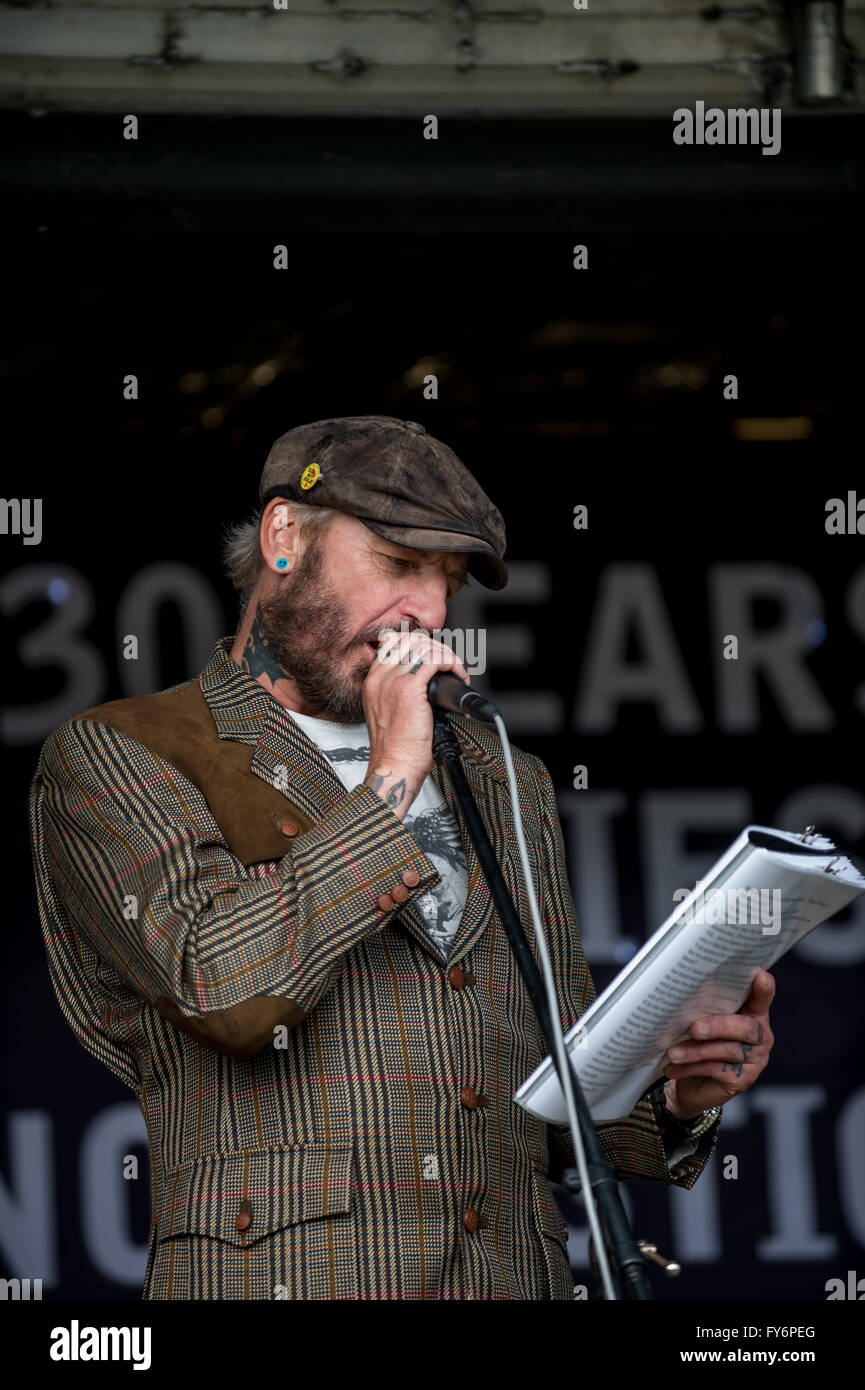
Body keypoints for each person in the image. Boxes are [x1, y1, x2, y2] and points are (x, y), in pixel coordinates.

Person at [28, 415, 775, 1300]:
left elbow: (548, 1098)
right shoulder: (125, 749)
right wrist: (390, 775)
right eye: (398, 563)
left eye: (448, 580)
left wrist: (677, 1089)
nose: (429, 610)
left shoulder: (505, 780)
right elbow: (221, 990)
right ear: (282, 538)